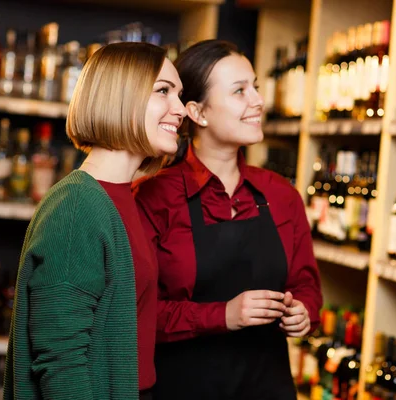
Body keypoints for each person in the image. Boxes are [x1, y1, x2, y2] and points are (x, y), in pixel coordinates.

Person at [132, 39, 323, 399]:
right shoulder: (153, 197)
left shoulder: (282, 195)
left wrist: (304, 312)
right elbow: (137, 315)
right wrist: (224, 315)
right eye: (240, 91)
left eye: (256, 87)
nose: (258, 101)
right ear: (197, 112)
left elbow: (307, 285)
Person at [3, 42, 186, 400]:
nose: (180, 109)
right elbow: (60, 363)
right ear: (121, 96)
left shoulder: (122, 198)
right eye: (163, 91)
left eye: (180, 95)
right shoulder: (77, 207)